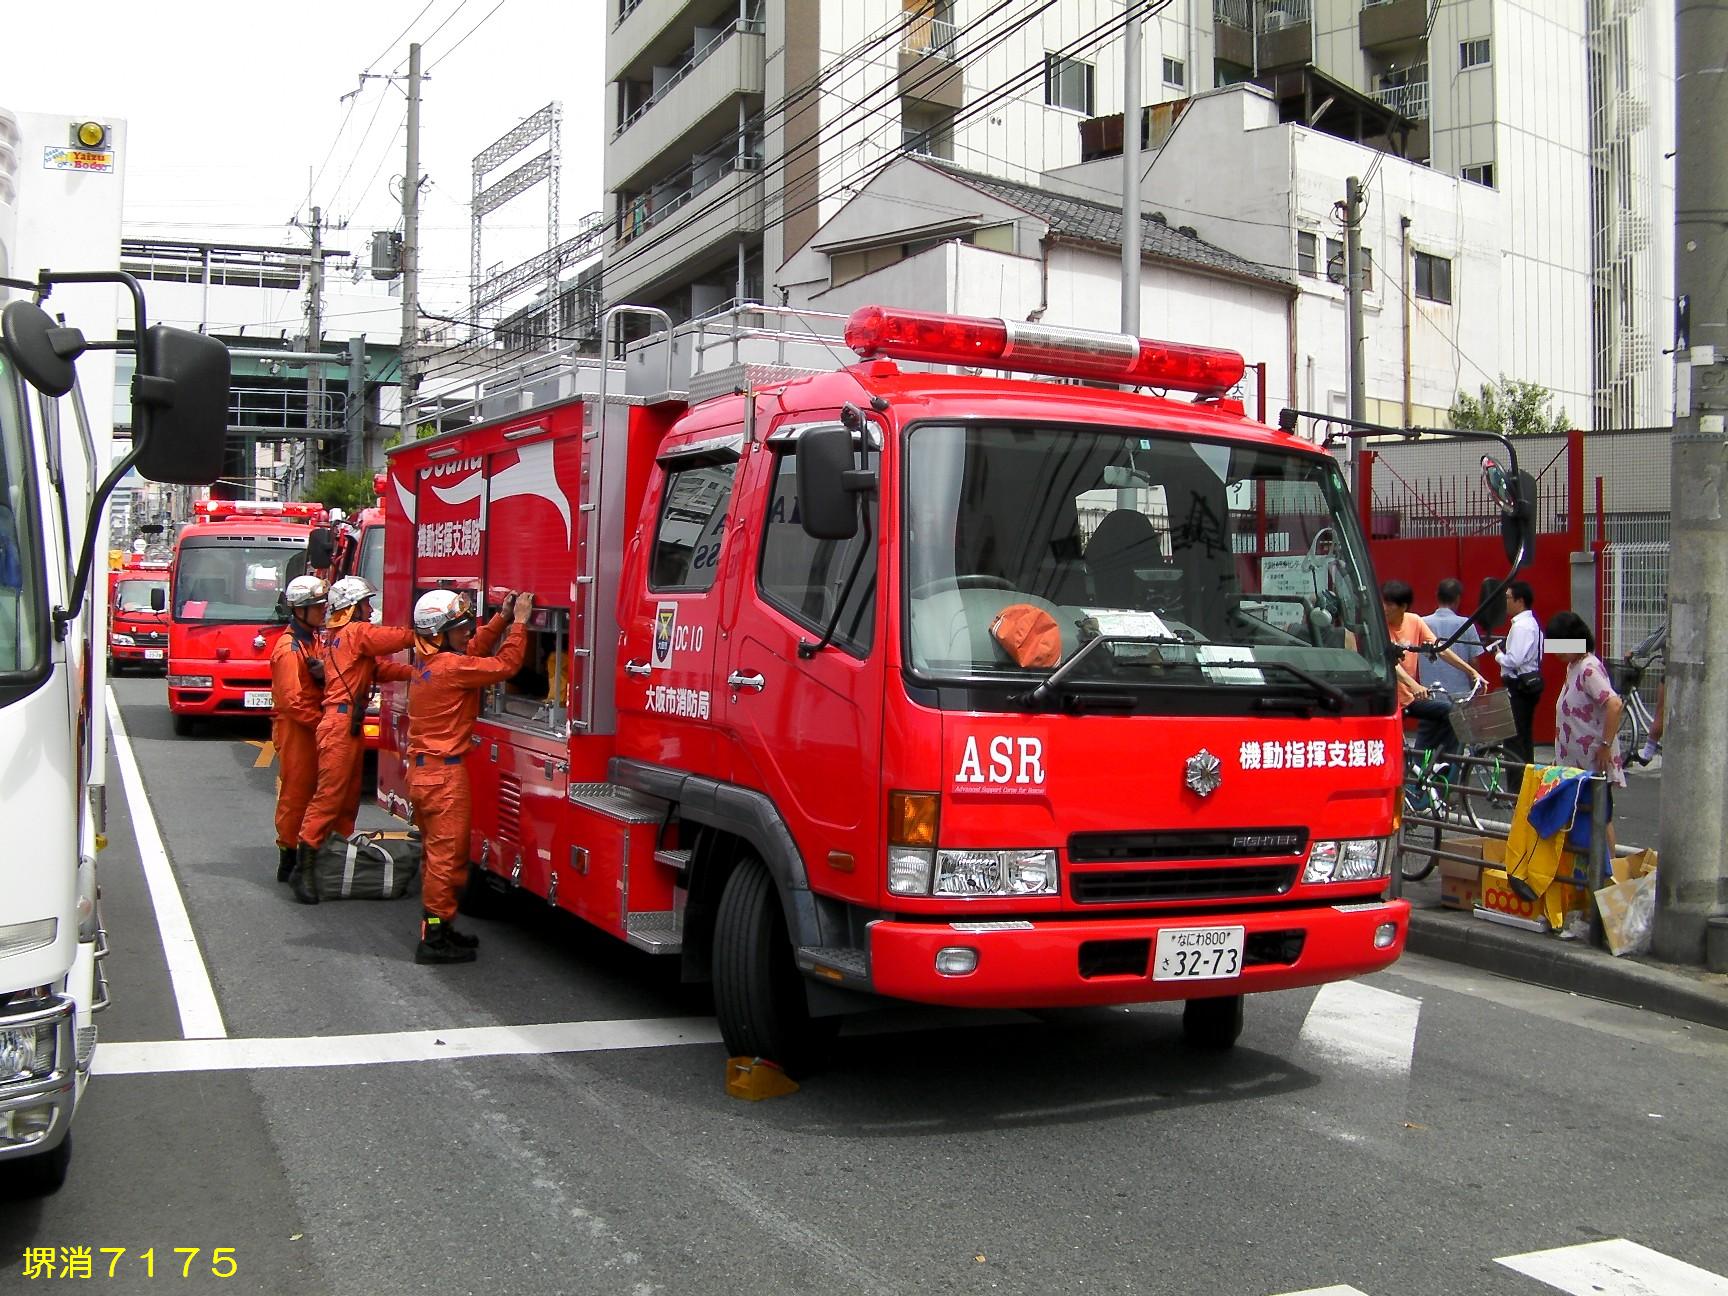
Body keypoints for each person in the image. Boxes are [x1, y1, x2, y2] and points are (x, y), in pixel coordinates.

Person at [404, 589, 531, 964]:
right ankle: (434, 938)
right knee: (447, 859)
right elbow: (505, 666)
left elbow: (473, 651)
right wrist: (520, 622)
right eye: (459, 627)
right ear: (439, 633)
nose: (466, 633)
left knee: (436, 857)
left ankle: (439, 927)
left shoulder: (430, 663)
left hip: (426, 774)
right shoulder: (450, 668)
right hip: (444, 778)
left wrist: (501, 619)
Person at [289, 576, 414, 904]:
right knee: (330, 798)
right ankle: (303, 868)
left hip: (347, 724)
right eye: (366, 604)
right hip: (341, 723)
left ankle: (332, 858)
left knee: (345, 801)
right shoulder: (356, 633)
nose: (371, 610)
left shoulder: (340, 638)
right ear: (352, 608)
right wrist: (428, 631)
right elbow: (390, 640)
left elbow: (380, 671)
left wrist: (420, 673)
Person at [1382, 579, 1484, 754]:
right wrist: (1413, 685)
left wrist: (1471, 671)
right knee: (1395, 751)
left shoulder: (1415, 621)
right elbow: (1390, 661)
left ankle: (1446, 765)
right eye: (1382, 602)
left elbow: (1440, 649)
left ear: (1403, 606)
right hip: (1388, 699)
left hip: (1410, 699)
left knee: (1451, 714)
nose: (1384, 608)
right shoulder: (1380, 626)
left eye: (1389, 604)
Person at [271, 576, 327, 884]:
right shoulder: (289, 648)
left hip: (311, 724)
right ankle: (288, 855)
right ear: (299, 610)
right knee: (296, 792)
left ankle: (308, 851)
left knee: (317, 791)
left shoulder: (312, 640)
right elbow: (291, 701)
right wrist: (323, 723)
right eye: (316, 607)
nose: (322, 611)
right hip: (298, 728)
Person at [1494, 580, 1544, 764]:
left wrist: (1498, 656)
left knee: (1514, 739)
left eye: (1508, 598)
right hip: (1526, 684)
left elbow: (1514, 660)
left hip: (1519, 686)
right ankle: (1525, 781)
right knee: (1523, 736)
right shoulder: (1530, 624)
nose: (1505, 602)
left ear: (1520, 601)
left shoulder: (1522, 626)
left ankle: (1516, 786)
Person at [1421, 578, 1484, 697]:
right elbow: (1474, 660)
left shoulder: (1422, 623)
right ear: (1458, 599)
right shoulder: (1466, 624)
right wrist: (1474, 684)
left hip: (1430, 694)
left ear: (1437, 596)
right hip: (1460, 694)